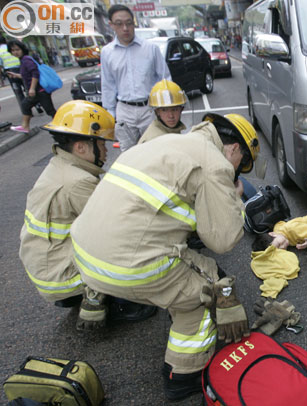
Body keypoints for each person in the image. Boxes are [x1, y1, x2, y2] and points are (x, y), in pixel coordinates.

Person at [70, 113, 260, 401]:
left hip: (84, 255)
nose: (236, 172)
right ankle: (183, 375)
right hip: (126, 265)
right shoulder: (215, 162)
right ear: (234, 149)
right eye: (240, 165)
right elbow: (223, 239)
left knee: (195, 266)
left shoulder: (163, 143)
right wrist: (234, 197)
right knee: (206, 291)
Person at [18, 100, 155, 330]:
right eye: (100, 143)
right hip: (60, 278)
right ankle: (117, 302)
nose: (104, 149)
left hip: (45, 270)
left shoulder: (59, 166)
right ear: (81, 147)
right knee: (131, 245)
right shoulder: (79, 182)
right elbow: (117, 228)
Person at [101, 4, 171, 151]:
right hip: (124, 111)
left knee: (155, 149)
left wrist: (165, 108)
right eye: (119, 24)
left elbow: (165, 79)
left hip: (149, 109)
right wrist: (110, 114)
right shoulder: (107, 52)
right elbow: (108, 84)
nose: (125, 28)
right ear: (111, 25)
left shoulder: (151, 49)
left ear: (134, 23)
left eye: (128, 23)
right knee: (128, 153)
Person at [6, 40, 56, 134]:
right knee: (27, 105)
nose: (15, 52)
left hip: (40, 91)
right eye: (12, 50)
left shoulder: (26, 60)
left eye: (17, 49)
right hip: (38, 91)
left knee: (49, 110)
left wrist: (32, 88)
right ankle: (25, 126)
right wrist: (16, 75)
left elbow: (35, 74)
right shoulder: (23, 60)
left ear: (22, 49)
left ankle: (63, 124)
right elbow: (27, 76)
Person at [137, 79, 186, 145]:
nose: (171, 116)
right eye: (164, 110)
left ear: (181, 109)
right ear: (157, 112)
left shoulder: (170, 130)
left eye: (174, 109)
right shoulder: (154, 140)